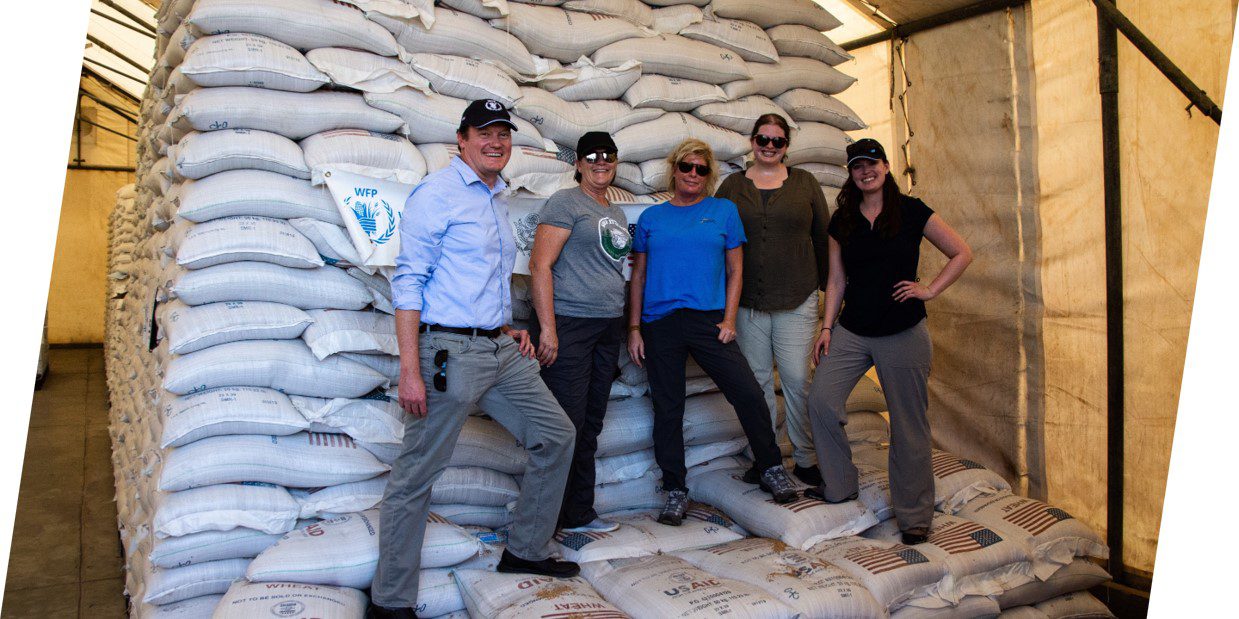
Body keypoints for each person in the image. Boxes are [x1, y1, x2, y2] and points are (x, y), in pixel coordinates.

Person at [370, 99, 579, 619]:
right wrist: (411, 370)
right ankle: (389, 602)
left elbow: (478, 277)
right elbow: (410, 283)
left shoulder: (496, 197)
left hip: (497, 346)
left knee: (556, 434)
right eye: (484, 133)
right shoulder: (436, 195)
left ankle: (525, 550)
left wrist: (506, 324)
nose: (496, 142)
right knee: (417, 473)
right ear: (460, 141)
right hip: (448, 352)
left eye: (503, 134)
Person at [805, 138, 973, 545]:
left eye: (872, 162)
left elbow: (961, 252)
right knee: (821, 400)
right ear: (850, 172)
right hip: (853, 329)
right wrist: (826, 328)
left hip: (903, 331)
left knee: (908, 424)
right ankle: (840, 485)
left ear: (885, 166)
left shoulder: (912, 211)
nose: (866, 170)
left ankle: (914, 516)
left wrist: (929, 290)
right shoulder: (842, 219)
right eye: (858, 165)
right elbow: (837, 278)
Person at [627, 138, 799, 527]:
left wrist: (728, 319)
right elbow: (638, 275)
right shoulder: (653, 218)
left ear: (709, 176)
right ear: (674, 169)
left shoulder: (723, 211)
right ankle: (675, 490)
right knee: (668, 409)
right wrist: (634, 327)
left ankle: (770, 466)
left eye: (701, 169)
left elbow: (736, 270)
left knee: (749, 392)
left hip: (708, 320)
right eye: (686, 167)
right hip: (660, 324)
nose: (692, 174)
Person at [714, 113, 831, 487]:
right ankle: (764, 457)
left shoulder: (806, 183)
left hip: (797, 298)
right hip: (747, 302)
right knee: (757, 382)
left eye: (777, 141)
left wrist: (829, 292)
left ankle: (806, 457)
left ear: (786, 147)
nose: (768, 146)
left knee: (797, 380)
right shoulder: (732, 186)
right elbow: (716, 239)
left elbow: (823, 237)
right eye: (762, 139)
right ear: (752, 142)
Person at [528, 131, 631, 534]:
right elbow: (540, 266)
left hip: (607, 327)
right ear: (578, 163)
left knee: (591, 423)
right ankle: (545, 522)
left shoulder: (616, 211)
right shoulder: (565, 202)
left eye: (608, 156)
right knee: (565, 424)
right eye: (592, 156)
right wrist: (548, 330)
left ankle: (578, 513)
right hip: (569, 324)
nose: (600, 162)